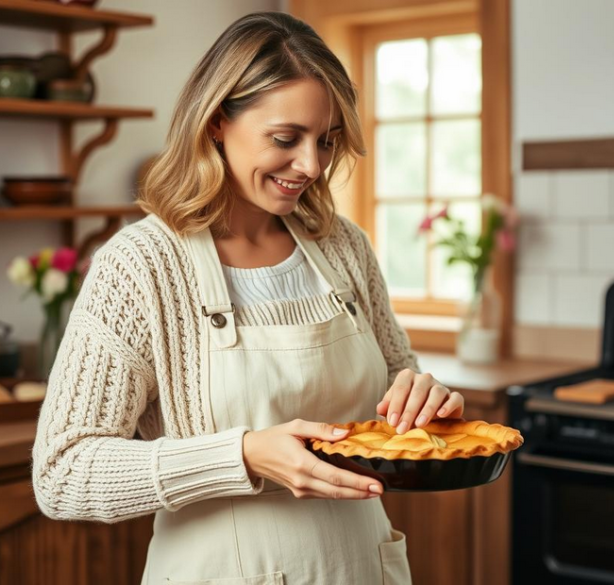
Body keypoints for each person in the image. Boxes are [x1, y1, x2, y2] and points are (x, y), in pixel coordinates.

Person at [31, 11, 464, 585]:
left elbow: (393, 389)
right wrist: (242, 456)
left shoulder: (344, 249)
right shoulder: (141, 267)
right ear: (215, 123)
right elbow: (63, 474)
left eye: (326, 141)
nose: (311, 165)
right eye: (286, 139)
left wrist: (422, 399)